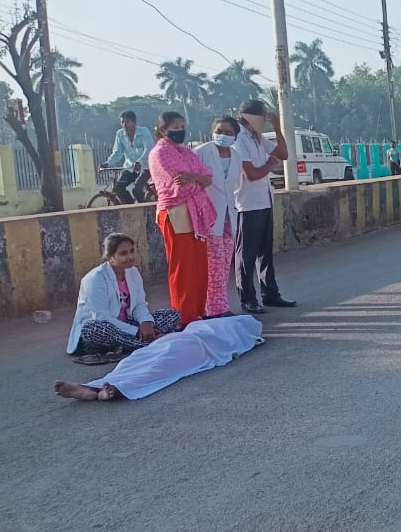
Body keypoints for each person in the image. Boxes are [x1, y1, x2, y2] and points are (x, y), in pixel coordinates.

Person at [54, 315, 264, 402]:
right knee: (137, 359)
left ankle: (109, 389)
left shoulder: (241, 335)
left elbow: (238, 344)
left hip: (196, 345)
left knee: (160, 365)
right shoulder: (242, 336)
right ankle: (93, 386)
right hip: (182, 339)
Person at [66, 234, 180, 364]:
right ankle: (148, 344)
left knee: (172, 314)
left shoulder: (133, 272)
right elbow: (102, 317)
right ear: (110, 256)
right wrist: (136, 331)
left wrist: (145, 323)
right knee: (94, 329)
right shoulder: (95, 279)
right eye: (123, 253)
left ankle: (134, 343)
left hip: (127, 323)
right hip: (99, 331)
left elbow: (139, 304)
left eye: (132, 251)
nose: (130, 257)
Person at [146, 111, 213, 327]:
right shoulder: (159, 153)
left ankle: (198, 312)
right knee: (183, 267)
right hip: (176, 212)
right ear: (163, 130)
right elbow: (175, 187)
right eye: (175, 127)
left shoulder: (186, 152)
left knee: (199, 265)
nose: (180, 130)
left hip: (196, 213)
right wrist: (198, 181)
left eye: (182, 126)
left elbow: (207, 178)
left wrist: (193, 178)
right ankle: (183, 316)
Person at [233, 100, 296, 314]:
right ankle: (248, 298)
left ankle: (270, 293)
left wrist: (277, 128)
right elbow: (251, 174)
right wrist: (270, 163)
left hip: (264, 200)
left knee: (264, 253)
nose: (265, 121)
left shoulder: (257, 138)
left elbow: (284, 154)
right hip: (248, 204)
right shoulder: (239, 139)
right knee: (246, 256)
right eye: (263, 117)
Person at [193, 116, 245, 318]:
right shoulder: (201, 153)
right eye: (220, 131)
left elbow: (237, 185)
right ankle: (213, 308)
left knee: (224, 264)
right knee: (213, 264)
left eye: (229, 133)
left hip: (228, 215)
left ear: (235, 136)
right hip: (208, 216)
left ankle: (219, 305)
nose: (224, 136)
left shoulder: (236, 156)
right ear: (212, 131)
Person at [104, 111, 156, 204]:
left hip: (146, 167)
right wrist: (108, 163)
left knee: (137, 189)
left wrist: (139, 162)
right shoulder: (120, 134)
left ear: (134, 122)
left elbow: (149, 149)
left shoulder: (144, 132)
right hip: (130, 167)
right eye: (122, 122)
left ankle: (145, 210)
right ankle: (131, 208)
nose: (124, 125)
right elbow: (117, 152)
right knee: (118, 187)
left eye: (127, 122)